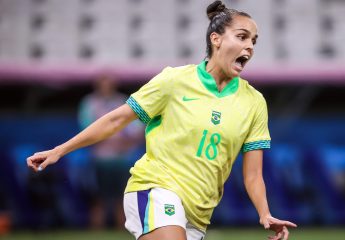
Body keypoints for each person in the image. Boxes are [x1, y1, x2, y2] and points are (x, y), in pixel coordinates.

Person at [27, 1, 297, 239]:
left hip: (199, 213)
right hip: (155, 188)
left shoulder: (254, 102)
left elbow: (252, 174)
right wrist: (59, 150)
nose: (249, 46)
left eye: (254, 41)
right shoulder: (175, 80)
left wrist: (265, 213)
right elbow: (116, 119)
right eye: (242, 36)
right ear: (216, 39)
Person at [78, 75, 145, 229]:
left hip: (122, 159)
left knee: (123, 197)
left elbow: (137, 129)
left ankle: (122, 230)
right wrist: (107, 136)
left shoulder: (124, 101)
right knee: (98, 198)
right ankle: (96, 231)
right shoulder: (90, 103)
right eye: (103, 82)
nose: (106, 86)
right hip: (99, 159)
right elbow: (86, 128)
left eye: (110, 82)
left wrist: (126, 141)